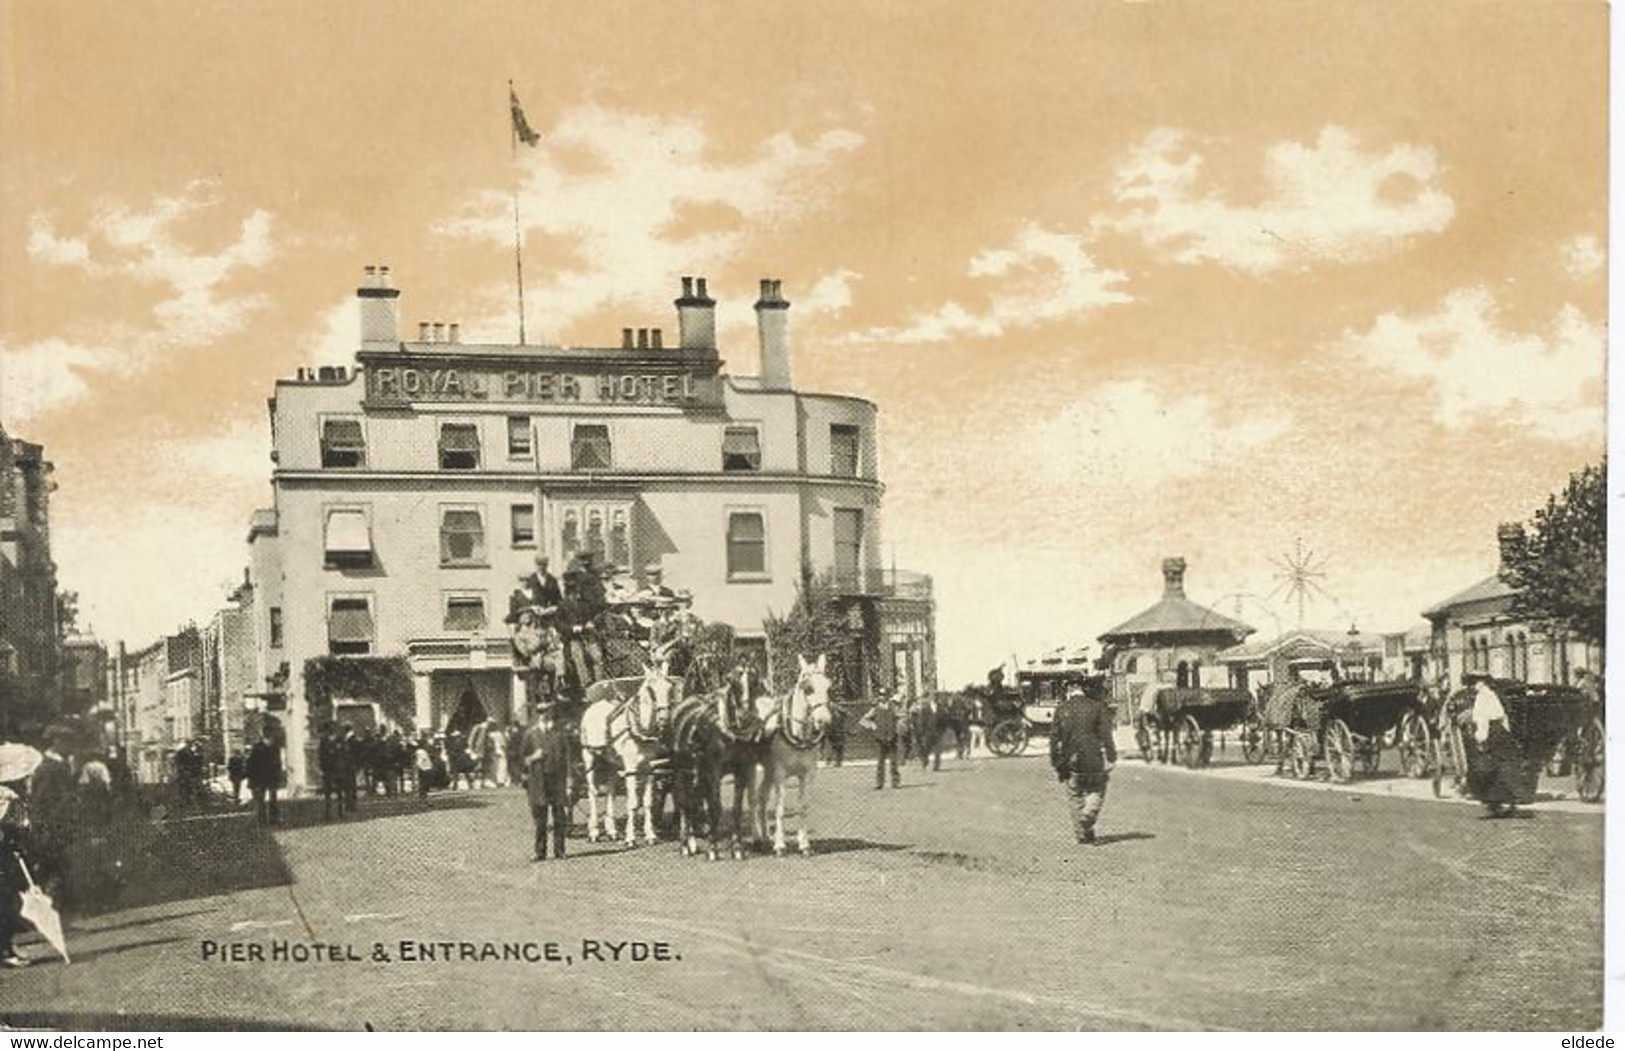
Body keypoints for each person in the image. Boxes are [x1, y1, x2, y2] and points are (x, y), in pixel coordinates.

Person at [1050, 678, 1117, 844]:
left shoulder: (1061, 709)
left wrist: (1056, 760)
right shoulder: (1097, 707)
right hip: (1093, 757)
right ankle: (1090, 813)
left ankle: (1082, 832)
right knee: (1097, 788)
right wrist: (1111, 755)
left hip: (1070, 759)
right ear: (1082, 689)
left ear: (1070, 690)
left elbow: (1054, 738)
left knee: (1075, 795)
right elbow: (1106, 735)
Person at [520, 704, 573, 861]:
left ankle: (560, 850)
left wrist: (569, 781)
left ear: (551, 713)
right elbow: (520, 760)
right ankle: (540, 851)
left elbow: (568, 759)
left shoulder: (560, 735)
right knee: (540, 820)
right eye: (540, 712)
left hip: (557, 781)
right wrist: (532, 757)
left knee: (559, 818)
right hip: (538, 781)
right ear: (537, 715)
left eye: (547, 712)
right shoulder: (531, 735)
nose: (544, 714)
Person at [0, 783, 30, 968]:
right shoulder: (6, 795)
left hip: (4, 858)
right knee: (7, 905)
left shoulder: (7, 795)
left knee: (9, 903)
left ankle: (7, 947)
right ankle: (5, 950)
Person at [860, 690, 903, 789]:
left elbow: (901, 718)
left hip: (892, 738)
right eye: (881, 695)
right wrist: (873, 726)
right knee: (880, 762)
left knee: (894, 762)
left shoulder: (894, 707)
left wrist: (897, 728)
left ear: (888, 696)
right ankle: (879, 783)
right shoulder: (875, 709)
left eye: (885, 695)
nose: (883, 697)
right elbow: (863, 720)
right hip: (880, 738)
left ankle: (895, 782)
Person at [246, 729, 283, 826]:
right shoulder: (257, 748)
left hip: (271, 778)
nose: (271, 740)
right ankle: (262, 821)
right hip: (260, 778)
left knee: (272, 799)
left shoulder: (275, 748)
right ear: (265, 737)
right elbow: (251, 764)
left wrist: (278, 776)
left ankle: (272, 819)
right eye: (270, 738)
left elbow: (278, 764)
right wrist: (252, 779)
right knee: (261, 800)